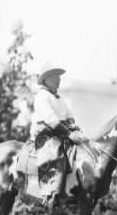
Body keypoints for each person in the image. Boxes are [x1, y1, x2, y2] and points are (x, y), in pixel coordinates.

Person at [31, 64, 86, 207]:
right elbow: (51, 121)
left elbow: (69, 115)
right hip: (46, 134)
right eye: (55, 76)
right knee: (55, 151)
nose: (59, 79)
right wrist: (69, 134)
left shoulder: (58, 97)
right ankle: (50, 193)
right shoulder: (41, 96)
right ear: (46, 79)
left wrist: (74, 127)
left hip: (61, 131)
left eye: (59, 76)